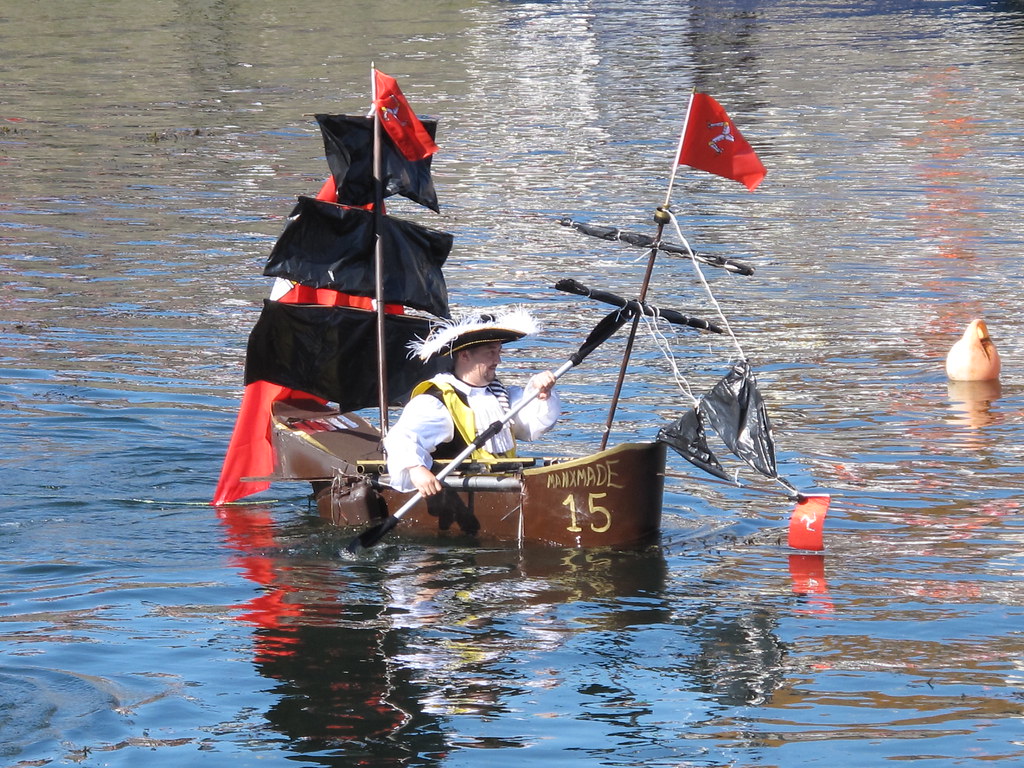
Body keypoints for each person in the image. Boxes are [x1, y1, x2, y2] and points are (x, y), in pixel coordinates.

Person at [384, 308, 561, 496]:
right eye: (490, 352)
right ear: (465, 355)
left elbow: (530, 428)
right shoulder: (438, 400)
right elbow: (401, 437)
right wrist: (415, 469)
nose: (498, 360)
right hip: (462, 497)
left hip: (505, 492)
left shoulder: (500, 394)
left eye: (499, 351)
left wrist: (541, 394)